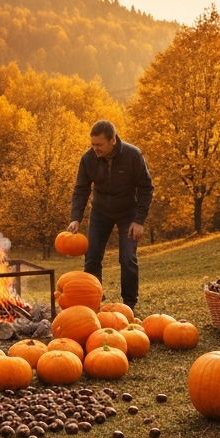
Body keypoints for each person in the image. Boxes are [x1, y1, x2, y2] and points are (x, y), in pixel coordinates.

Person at [68, 120, 154, 312]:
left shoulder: (133, 155)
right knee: (92, 257)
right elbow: (81, 190)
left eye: (99, 145)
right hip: (100, 212)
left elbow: (146, 188)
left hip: (128, 213)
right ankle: (93, 299)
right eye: (92, 144)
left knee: (127, 257)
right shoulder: (88, 159)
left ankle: (129, 304)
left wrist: (139, 220)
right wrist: (76, 218)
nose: (95, 149)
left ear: (112, 140)